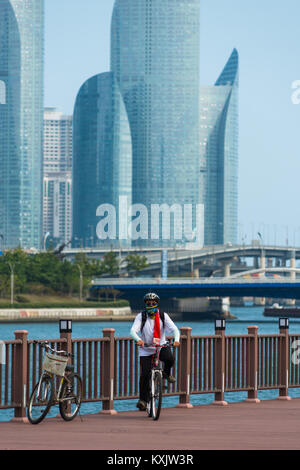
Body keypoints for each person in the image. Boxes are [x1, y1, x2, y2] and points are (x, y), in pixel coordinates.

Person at [130, 292, 180, 411]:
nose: (151, 305)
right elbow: (133, 331)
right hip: (146, 349)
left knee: (170, 359)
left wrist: (176, 340)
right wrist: (138, 340)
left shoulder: (163, 315)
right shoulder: (141, 316)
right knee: (145, 374)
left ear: (157, 303)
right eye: (148, 303)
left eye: (153, 303)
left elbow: (175, 329)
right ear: (145, 304)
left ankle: (166, 374)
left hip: (160, 346)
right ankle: (143, 400)